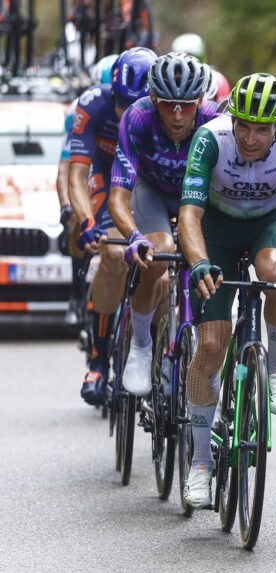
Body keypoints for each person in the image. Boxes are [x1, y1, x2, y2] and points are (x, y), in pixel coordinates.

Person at [178, 73, 276, 507]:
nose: (249, 137)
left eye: (262, 129)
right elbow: (189, 214)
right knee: (209, 346)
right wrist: (200, 261)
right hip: (216, 228)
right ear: (233, 119)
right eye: (243, 125)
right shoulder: (210, 138)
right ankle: (201, 461)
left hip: (270, 221)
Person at [107, 52, 219, 396]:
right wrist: (135, 237)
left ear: (200, 101)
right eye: (168, 104)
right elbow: (117, 198)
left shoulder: (215, 121)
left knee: (210, 262)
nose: (176, 114)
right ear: (153, 97)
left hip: (197, 197)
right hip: (151, 190)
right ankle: (141, 345)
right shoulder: (137, 117)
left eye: (186, 105)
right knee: (159, 252)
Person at [68, 46, 157, 405]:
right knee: (113, 256)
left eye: (134, 102)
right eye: (120, 100)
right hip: (108, 175)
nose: (124, 111)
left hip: (149, 182)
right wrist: (86, 220)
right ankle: (99, 359)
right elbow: (76, 172)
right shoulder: (93, 103)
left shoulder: (168, 112)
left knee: (164, 264)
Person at [57, 54, 119, 329]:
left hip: (126, 168)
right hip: (95, 163)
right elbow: (66, 169)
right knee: (79, 218)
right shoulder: (80, 109)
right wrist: (66, 208)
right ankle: (78, 293)